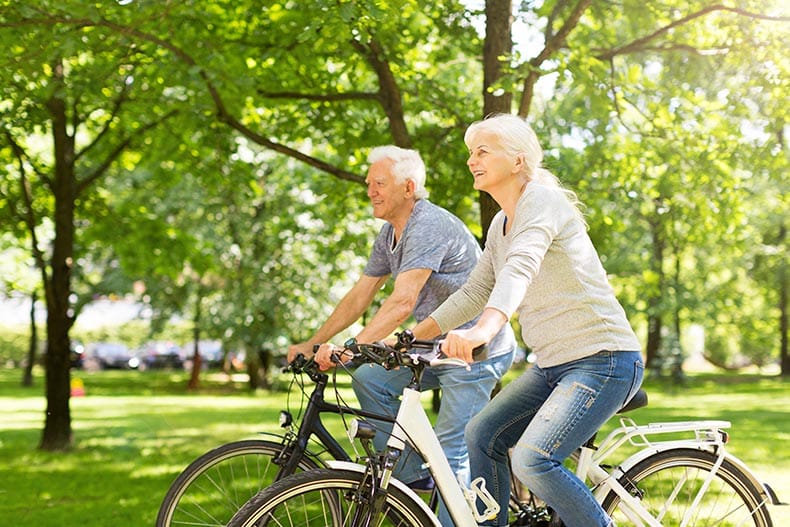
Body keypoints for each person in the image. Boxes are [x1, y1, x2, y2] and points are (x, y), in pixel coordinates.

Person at [411, 114, 644, 527]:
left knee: (534, 460)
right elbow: (474, 291)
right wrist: (411, 336)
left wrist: (485, 330)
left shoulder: (542, 202)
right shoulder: (501, 223)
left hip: (603, 359)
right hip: (554, 365)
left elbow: (520, 268)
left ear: (518, 161)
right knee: (481, 435)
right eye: (470, 153)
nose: (471, 160)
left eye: (482, 151)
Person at [288, 144, 516, 527]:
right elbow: (360, 295)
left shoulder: (428, 224)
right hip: (426, 347)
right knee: (367, 377)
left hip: (472, 349)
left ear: (408, 187)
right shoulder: (390, 233)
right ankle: (410, 480)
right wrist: (315, 341)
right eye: (368, 184)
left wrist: (351, 347)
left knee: (449, 451)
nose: (370, 191)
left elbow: (401, 303)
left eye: (379, 183)